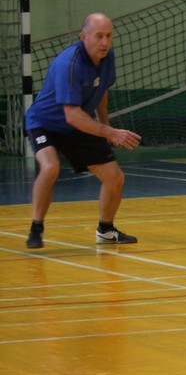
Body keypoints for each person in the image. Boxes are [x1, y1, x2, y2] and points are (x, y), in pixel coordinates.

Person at [24, 13, 142, 249]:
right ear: (83, 37)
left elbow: (102, 90)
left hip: (80, 123)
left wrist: (106, 126)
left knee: (115, 178)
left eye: (108, 36)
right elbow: (72, 115)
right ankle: (36, 228)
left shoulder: (107, 57)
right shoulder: (70, 63)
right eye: (99, 36)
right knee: (50, 167)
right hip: (45, 122)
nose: (105, 42)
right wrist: (111, 133)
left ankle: (105, 231)